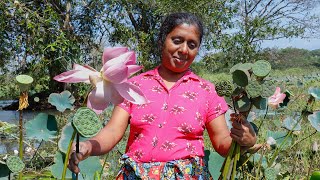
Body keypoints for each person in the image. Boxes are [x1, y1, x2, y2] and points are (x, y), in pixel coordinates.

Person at [68, 12, 257, 179]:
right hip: (135, 175)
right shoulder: (134, 86)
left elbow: (222, 143)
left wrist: (244, 140)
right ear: (162, 40)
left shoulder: (206, 91)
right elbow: (112, 132)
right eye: (177, 40)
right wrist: (88, 147)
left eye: (192, 44)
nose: (184, 50)